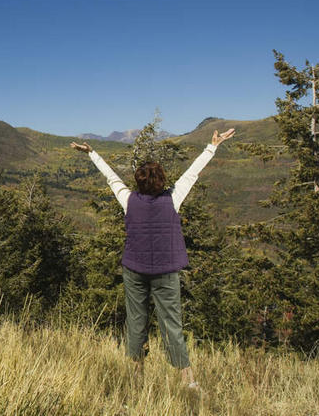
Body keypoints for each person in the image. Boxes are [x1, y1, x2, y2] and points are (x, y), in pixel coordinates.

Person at [70, 128, 236, 391]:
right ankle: (189, 382)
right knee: (172, 324)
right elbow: (192, 173)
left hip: (134, 270)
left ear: (138, 182)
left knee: (136, 323)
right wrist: (212, 147)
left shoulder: (129, 200)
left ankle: (137, 381)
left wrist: (93, 154)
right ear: (161, 182)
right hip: (166, 272)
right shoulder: (173, 199)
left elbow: (111, 178)